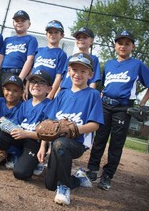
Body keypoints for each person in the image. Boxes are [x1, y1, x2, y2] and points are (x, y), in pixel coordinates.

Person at [86, 30, 149, 191]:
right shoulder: (110, 64)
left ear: (133, 46)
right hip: (105, 105)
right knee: (99, 139)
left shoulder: (137, 64)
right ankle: (92, 170)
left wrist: (143, 102)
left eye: (127, 43)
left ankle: (107, 176)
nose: (123, 46)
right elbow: (105, 85)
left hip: (123, 108)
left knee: (116, 143)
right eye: (120, 43)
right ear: (115, 46)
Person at [37, 52, 104, 205]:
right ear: (68, 71)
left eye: (83, 71)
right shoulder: (62, 94)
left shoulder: (93, 95)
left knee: (61, 143)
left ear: (90, 74)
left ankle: (64, 186)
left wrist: (72, 129)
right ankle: (78, 179)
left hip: (77, 143)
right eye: (74, 69)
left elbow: (95, 125)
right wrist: (43, 145)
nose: (78, 74)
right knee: (49, 185)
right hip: (57, 143)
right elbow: (49, 123)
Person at [0, 70, 52, 179]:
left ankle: (35, 161)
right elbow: (17, 123)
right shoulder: (25, 104)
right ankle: (16, 155)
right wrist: (4, 124)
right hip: (21, 138)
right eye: (33, 82)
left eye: (41, 83)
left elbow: (49, 134)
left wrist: (27, 134)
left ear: (49, 89)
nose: (36, 85)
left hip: (35, 142)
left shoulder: (50, 105)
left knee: (20, 173)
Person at [0, 10, 38, 97]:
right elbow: (0, 57)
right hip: (4, 74)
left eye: (23, 20)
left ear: (29, 24)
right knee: (1, 100)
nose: (19, 23)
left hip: (19, 73)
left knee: (16, 103)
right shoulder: (7, 40)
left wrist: (20, 79)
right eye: (17, 21)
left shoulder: (31, 39)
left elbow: (30, 60)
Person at [25, 20, 67, 100]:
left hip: (46, 91)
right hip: (33, 88)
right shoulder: (39, 51)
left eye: (56, 32)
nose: (52, 35)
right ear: (46, 34)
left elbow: (59, 76)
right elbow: (32, 71)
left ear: (62, 35)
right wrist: (26, 88)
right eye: (50, 32)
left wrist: (50, 95)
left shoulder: (61, 54)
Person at [55, 27, 101, 96]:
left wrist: (89, 97)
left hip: (80, 93)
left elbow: (93, 81)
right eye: (78, 37)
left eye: (84, 37)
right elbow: (63, 79)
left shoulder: (93, 59)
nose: (81, 39)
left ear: (91, 41)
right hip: (64, 93)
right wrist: (56, 94)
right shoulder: (70, 58)